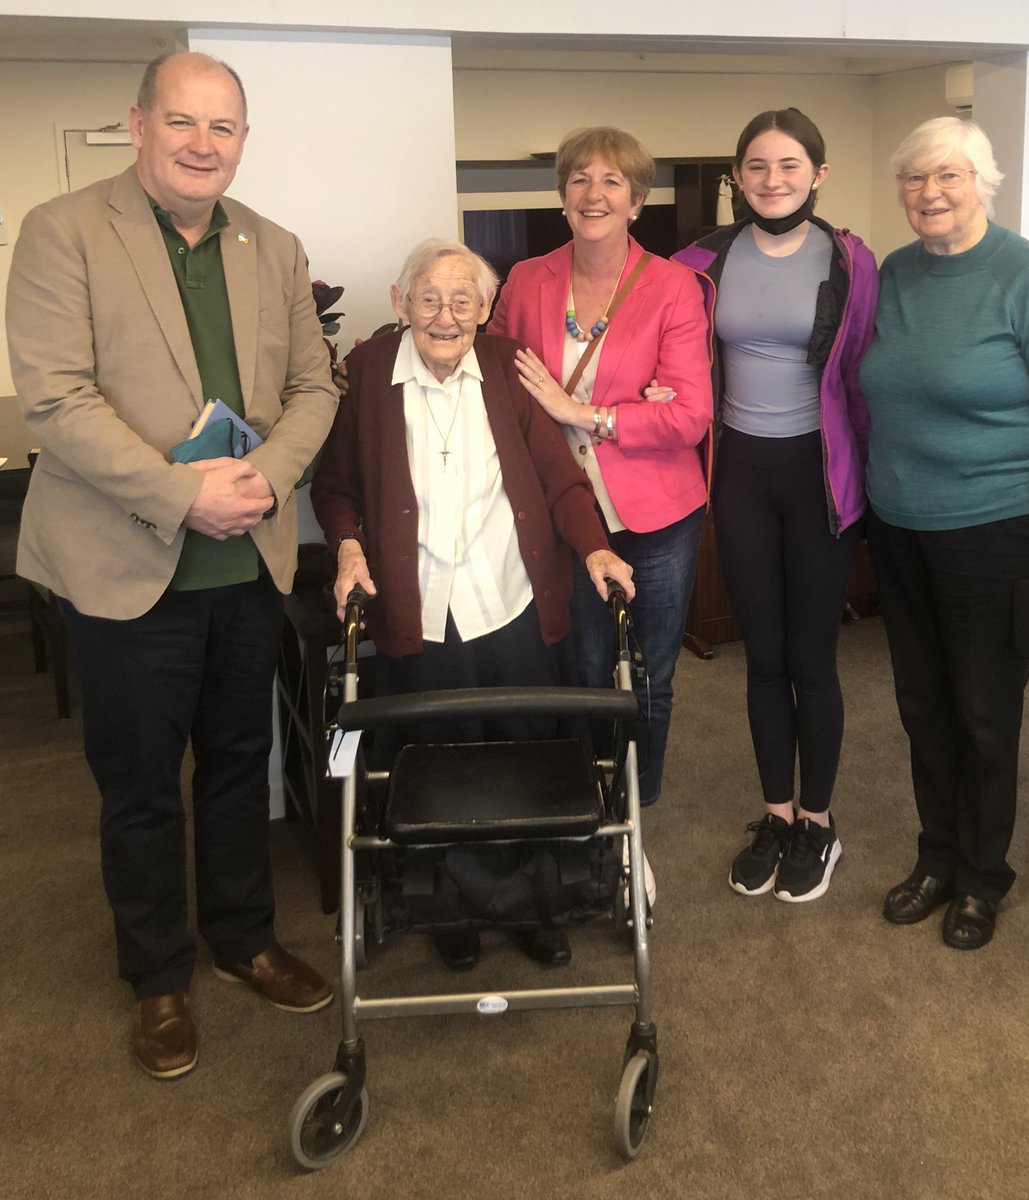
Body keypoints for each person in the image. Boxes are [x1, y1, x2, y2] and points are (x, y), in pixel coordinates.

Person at [6, 52, 339, 1079]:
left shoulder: (271, 245)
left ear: (243, 139)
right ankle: (156, 976)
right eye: (183, 123)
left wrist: (267, 479)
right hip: (125, 566)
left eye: (223, 128)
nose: (203, 145)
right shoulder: (63, 231)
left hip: (245, 566)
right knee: (141, 784)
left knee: (243, 765)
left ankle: (242, 936)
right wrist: (181, 491)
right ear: (139, 123)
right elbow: (56, 401)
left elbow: (313, 387)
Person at [310, 237, 635, 973]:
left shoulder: (507, 365)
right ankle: (448, 905)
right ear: (401, 303)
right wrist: (349, 547)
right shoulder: (365, 374)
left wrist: (595, 551)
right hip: (416, 610)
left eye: (464, 300)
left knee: (524, 753)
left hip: (510, 601)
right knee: (434, 760)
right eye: (429, 298)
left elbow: (560, 482)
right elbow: (335, 488)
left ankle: (530, 903)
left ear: (486, 310)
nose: (447, 315)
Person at [859, 116, 1029, 949]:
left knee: (985, 711)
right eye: (915, 180)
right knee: (922, 704)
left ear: (982, 183)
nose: (930, 194)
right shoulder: (894, 273)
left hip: (996, 529)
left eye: (947, 177)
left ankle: (983, 876)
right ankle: (937, 857)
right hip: (901, 524)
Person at [672, 108, 877, 903]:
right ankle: (778, 814)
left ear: (817, 175)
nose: (772, 180)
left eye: (789, 165)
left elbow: (864, 376)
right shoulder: (699, 261)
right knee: (762, 657)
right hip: (741, 473)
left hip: (820, 474)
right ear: (736, 177)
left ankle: (819, 824)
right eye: (756, 166)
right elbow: (672, 348)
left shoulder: (852, 261)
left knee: (810, 659)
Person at [488, 126, 713, 822]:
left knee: (651, 669)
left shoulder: (674, 287)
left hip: (659, 509)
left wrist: (582, 412)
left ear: (637, 200)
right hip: (565, 507)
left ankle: (637, 798)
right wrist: (632, 404)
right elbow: (495, 380)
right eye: (580, 179)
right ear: (562, 196)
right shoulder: (527, 280)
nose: (594, 192)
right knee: (583, 664)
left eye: (612, 181)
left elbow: (690, 418)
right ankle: (588, 795)